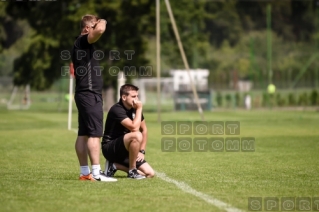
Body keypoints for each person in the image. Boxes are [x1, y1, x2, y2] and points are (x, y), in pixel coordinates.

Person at [72, 14, 116, 182]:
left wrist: (98, 23)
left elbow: (98, 30)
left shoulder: (81, 43)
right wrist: (103, 20)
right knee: (94, 134)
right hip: (89, 95)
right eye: (94, 26)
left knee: (83, 134)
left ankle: (85, 173)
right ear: (86, 29)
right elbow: (101, 28)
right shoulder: (83, 40)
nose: (98, 29)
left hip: (85, 94)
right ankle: (97, 174)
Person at [101, 84, 155, 179]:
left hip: (127, 149)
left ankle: (114, 165)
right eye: (133, 96)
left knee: (150, 173)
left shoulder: (135, 109)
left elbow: (144, 130)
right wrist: (139, 109)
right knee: (136, 135)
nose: (137, 99)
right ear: (124, 97)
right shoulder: (117, 109)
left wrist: (142, 151)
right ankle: (132, 170)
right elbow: (134, 128)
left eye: (137, 96)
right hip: (110, 148)